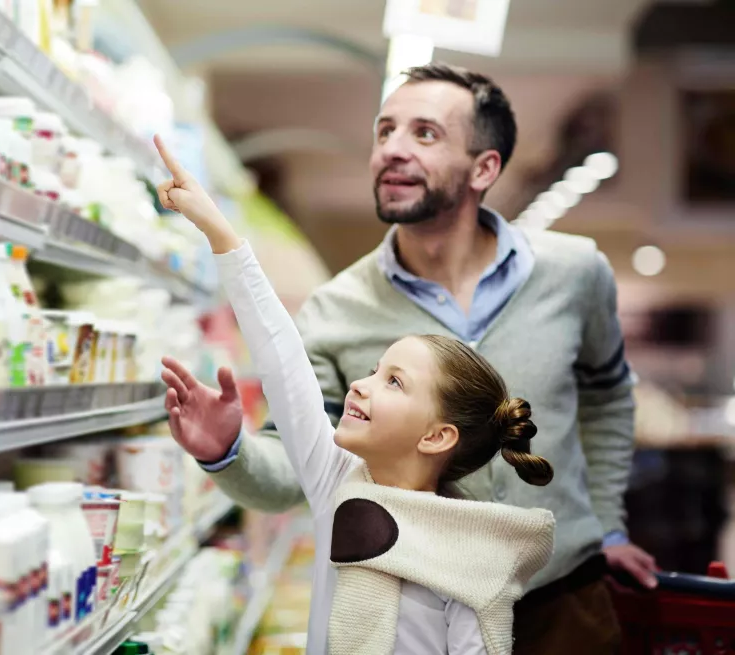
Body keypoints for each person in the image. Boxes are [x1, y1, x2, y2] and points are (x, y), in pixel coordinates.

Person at [160, 63, 656, 654]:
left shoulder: (577, 274)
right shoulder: (336, 309)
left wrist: (608, 523)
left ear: (484, 168)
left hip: (567, 596)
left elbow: (607, 397)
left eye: (424, 133)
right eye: (384, 130)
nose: (391, 149)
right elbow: (294, 437)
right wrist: (229, 452)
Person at [154, 134, 556, 655]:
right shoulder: (338, 484)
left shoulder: (471, 558)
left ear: (437, 436)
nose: (361, 385)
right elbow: (283, 359)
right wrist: (218, 231)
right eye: (374, 369)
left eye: (394, 382)